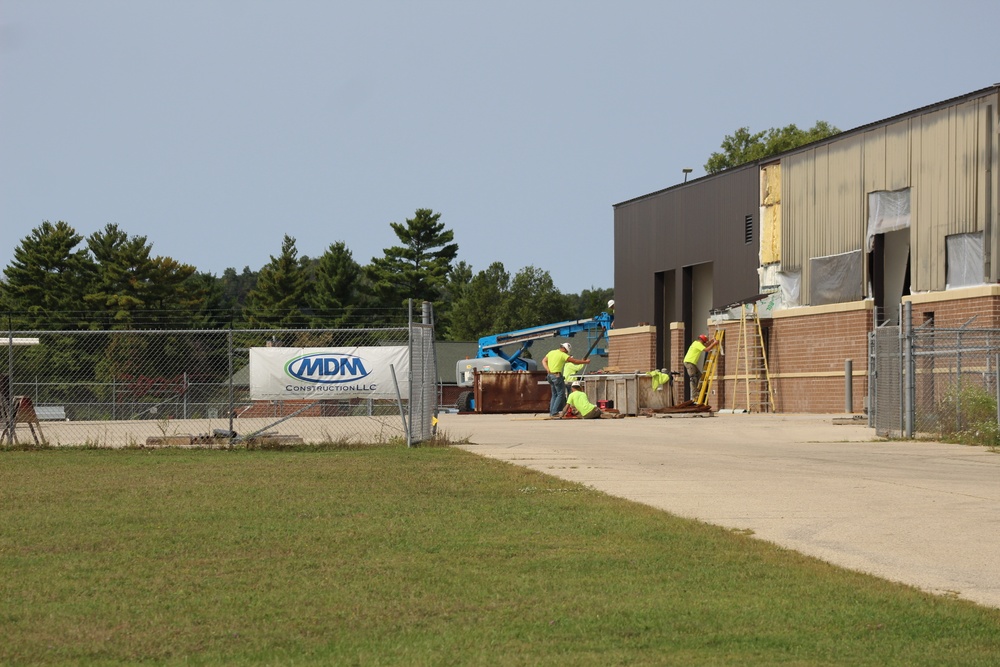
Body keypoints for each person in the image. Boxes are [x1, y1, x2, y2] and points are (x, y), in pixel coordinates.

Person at [542, 342, 589, 417]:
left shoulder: (551, 352)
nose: (567, 353)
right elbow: (574, 361)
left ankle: (552, 412)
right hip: (557, 376)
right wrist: (584, 362)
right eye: (567, 351)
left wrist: (548, 369)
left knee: (554, 394)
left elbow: (543, 361)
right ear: (565, 349)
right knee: (560, 394)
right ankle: (554, 412)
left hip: (550, 376)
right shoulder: (563, 355)